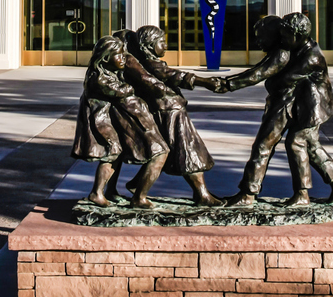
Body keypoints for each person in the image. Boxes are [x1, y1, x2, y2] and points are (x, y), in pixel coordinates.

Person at [221, 13, 333, 207]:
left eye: (285, 35)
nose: (282, 40)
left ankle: (300, 195)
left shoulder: (311, 57)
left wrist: (230, 84)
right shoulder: (294, 48)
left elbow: (281, 79)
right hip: (297, 104)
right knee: (311, 147)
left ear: (297, 35)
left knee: (295, 143)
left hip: (311, 108)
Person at [119, 26, 223, 206]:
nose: (166, 46)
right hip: (169, 112)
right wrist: (203, 81)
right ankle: (202, 194)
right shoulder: (150, 64)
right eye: (162, 42)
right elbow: (173, 75)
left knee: (170, 152)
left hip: (169, 110)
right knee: (188, 150)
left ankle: (138, 186)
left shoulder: (146, 63)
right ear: (148, 45)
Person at [71, 34, 168, 208]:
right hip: (101, 123)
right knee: (112, 153)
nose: (124, 59)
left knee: (116, 153)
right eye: (119, 55)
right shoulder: (99, 78)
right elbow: (122, 91)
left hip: (109, 120)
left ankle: (105, 191)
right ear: (105, 57)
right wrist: (134, 85)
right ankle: (99, 193)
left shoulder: (109, 73)